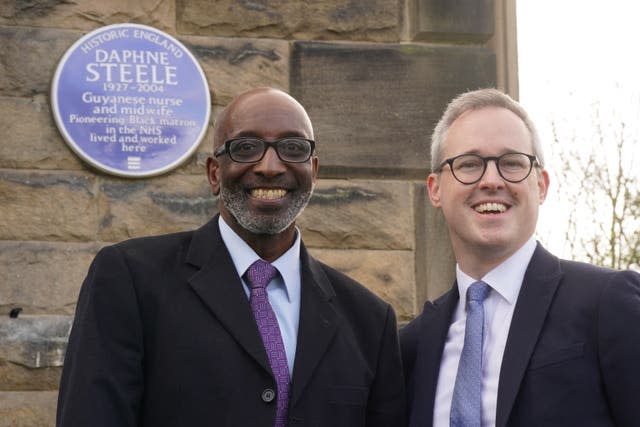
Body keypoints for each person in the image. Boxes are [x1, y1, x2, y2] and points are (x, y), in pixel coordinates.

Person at [57, 87, 405, 427]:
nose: (270, 166)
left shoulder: (370, 322)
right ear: (213, 173)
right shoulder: (131, 280)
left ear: (313, 172)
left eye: (293, 148)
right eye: (247, 147)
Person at [401, 88, 640, 427]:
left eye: (512, 163)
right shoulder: (411, 346)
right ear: (435, 188)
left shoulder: (607, 303)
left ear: (541, 185)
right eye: (469, 164)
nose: (492, 180)